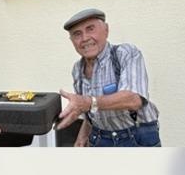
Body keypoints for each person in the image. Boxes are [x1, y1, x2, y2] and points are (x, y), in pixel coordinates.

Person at [55, 8, 160, 147]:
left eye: (90, 29)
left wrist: (87, 102)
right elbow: (91, 111)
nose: (85, 38)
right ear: (72, 41)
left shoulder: (125, 53)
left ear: (106, 30)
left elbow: (134, 99)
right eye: (77, 34)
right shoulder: (77, 69)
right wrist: (82, 136)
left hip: (137, 137)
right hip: (99, 139)